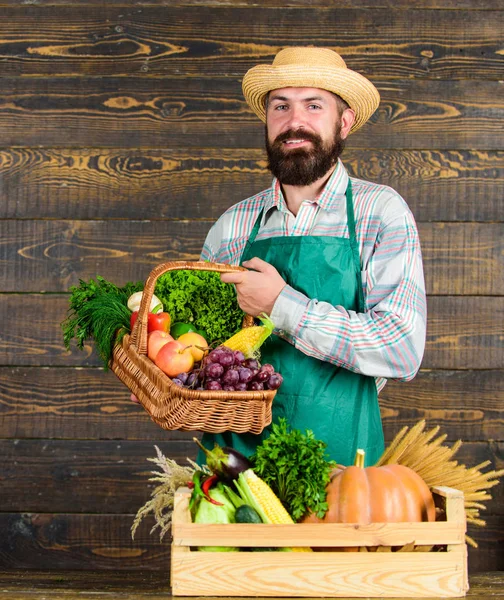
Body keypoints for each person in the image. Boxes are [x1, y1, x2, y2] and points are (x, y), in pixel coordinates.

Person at [200, 46, 427, 466]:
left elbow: (401, 349)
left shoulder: (381, 213)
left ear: (344, 121)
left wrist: (280, 306)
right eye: (280, 106)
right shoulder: (232, 226)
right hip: (234, 468)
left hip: (342, 465)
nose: (294, 121)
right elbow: (199, 352)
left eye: (313, 105)